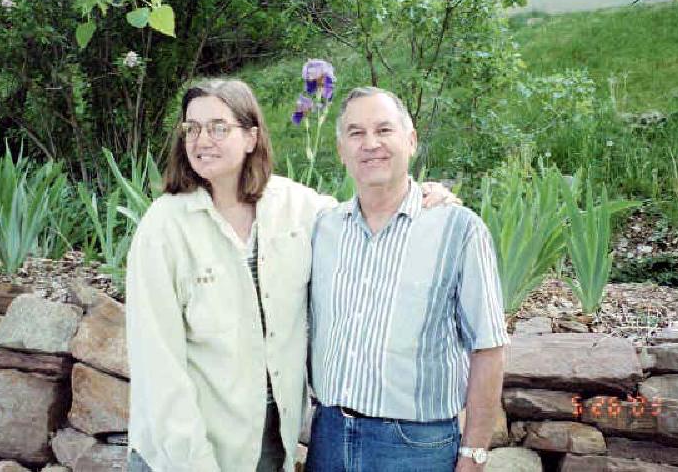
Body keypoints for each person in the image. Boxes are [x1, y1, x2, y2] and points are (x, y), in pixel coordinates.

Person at [125, 79, 457, 472]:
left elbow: (368, 214)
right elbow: (158, 368)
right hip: (181, 448)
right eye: (192, 128)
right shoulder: (163, 227)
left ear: (251, 137)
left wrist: (428, 195)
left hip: (265, 443)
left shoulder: (298, 207)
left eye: (218, 126)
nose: (201, 140)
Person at [307, 87, 510, 472]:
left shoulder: (458, 230)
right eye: (355, 133)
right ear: (341, 151)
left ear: (411, 140)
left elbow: (488, 347)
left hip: (416, 446)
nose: (371, 144)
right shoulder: (322, 229)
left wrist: (475, 453)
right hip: (329, 438)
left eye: (384, 130)